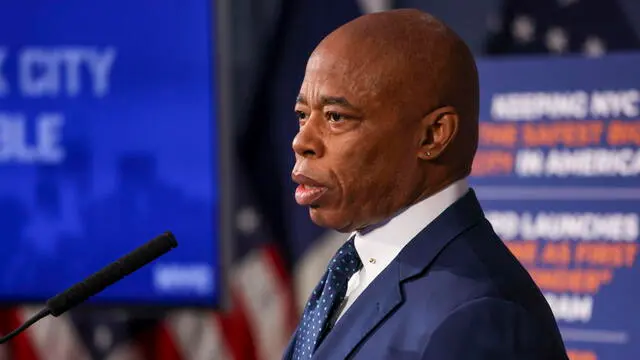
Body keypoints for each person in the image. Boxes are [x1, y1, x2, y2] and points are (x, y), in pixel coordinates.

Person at [284, 8, 569, 360]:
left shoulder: (481, 316)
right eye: (302, 115)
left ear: (433, 135)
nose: (302, 141)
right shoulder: (356, 268)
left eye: (336, 117)